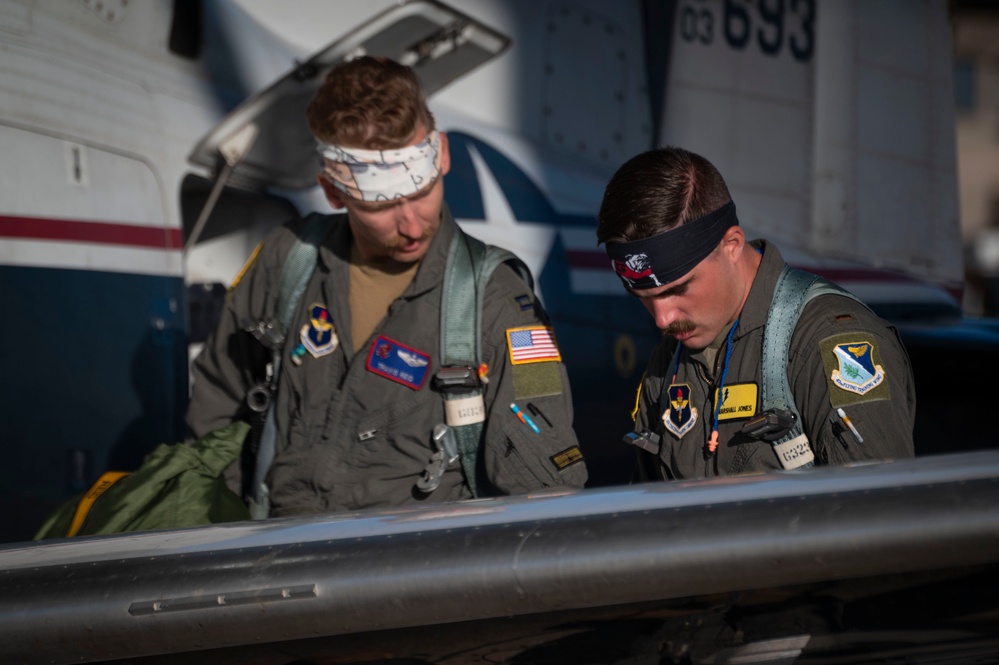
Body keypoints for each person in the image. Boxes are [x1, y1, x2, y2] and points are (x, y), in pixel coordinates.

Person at [186, 56, 586, 517]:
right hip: (279, 559)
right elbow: (218, 402)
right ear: (333, 193)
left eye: (422, 192)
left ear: (444, 157)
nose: (412, 224)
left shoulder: (501, 301)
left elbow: (546, 472)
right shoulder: (287, 260)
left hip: (412, 572)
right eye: (382, 206)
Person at [596, 146, 915, 480]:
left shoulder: (828, 342)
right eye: (643, 296)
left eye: (678, 289)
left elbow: (875, 511)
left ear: (731, 245)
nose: (661, 318)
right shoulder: (671, 361)